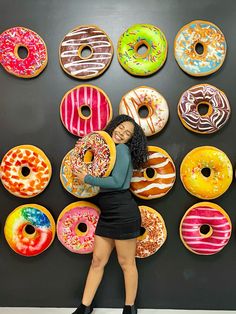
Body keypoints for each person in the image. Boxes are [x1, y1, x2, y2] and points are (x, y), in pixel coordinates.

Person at [72, 114, 148, 314]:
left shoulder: (122, 150)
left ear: (130, 139)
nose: (121, 133)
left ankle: (130, 308)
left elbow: (116, 182)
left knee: (126, 263)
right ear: (114, 126)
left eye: (128, 133)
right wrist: (84, 149)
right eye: (121, 128)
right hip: (107, 214)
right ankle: (85, 306)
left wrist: (87, 178)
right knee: (97, 261)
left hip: (123, 213)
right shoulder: (108, 152)